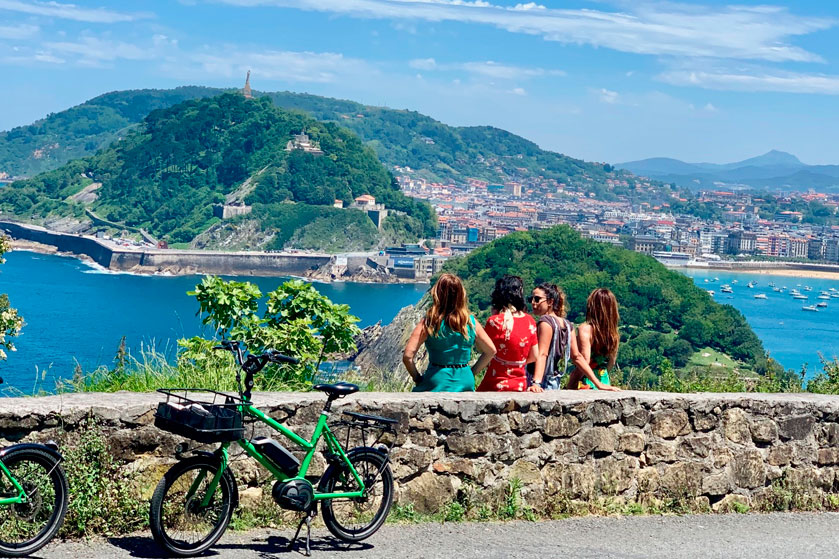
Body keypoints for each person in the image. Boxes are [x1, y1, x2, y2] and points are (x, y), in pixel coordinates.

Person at [403, 273, 496, 392]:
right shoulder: (470, 322)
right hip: (465, 381)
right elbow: (491, 351)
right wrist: (471, 373)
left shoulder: (430, 323)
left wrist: (417, 379)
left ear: (437, 294)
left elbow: (407, 356)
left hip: (436, 380)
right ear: (461, 295)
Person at [476, 275, 538, 392]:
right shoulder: (530, 321)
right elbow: (535, 355)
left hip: (494, 383)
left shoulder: (495, 321)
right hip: (519, 384)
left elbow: (483, 349)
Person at [566, 288, 622, 391]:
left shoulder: (585, 329)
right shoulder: (614, 333)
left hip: (586, 382)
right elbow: (611, 363)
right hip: (604, 380)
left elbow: (584, 361)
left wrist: (572, 382)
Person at [526, 283, 576, 392]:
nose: (533, 303)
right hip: (554, 381)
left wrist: (536, 382)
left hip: (539, 381)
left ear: (550, 302)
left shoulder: (545, 321)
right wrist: (598, 384)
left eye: (537, 299)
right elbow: (577, 356)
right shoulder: (568, 325)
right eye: (531, 299)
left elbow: (542, 353)